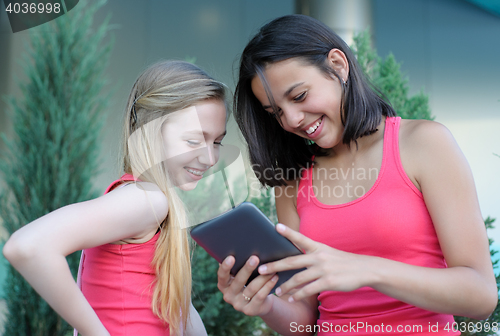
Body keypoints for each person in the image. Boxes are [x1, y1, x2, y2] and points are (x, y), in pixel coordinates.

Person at [217, 14, 497, 335]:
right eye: (276, 112)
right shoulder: (293, 182)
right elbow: (304, 323)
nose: (292, 119)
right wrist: (264, 305)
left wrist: (367, 270)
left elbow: (480, 296)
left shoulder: (423, 143)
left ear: (338, 65)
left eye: (299, 96)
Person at [3, 60, 228, 336]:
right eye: (194, 140)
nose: (210, 158)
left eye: (216, 142)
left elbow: (176, 309)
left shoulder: (146, 199)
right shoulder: (147, 200)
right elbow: (27, 246)